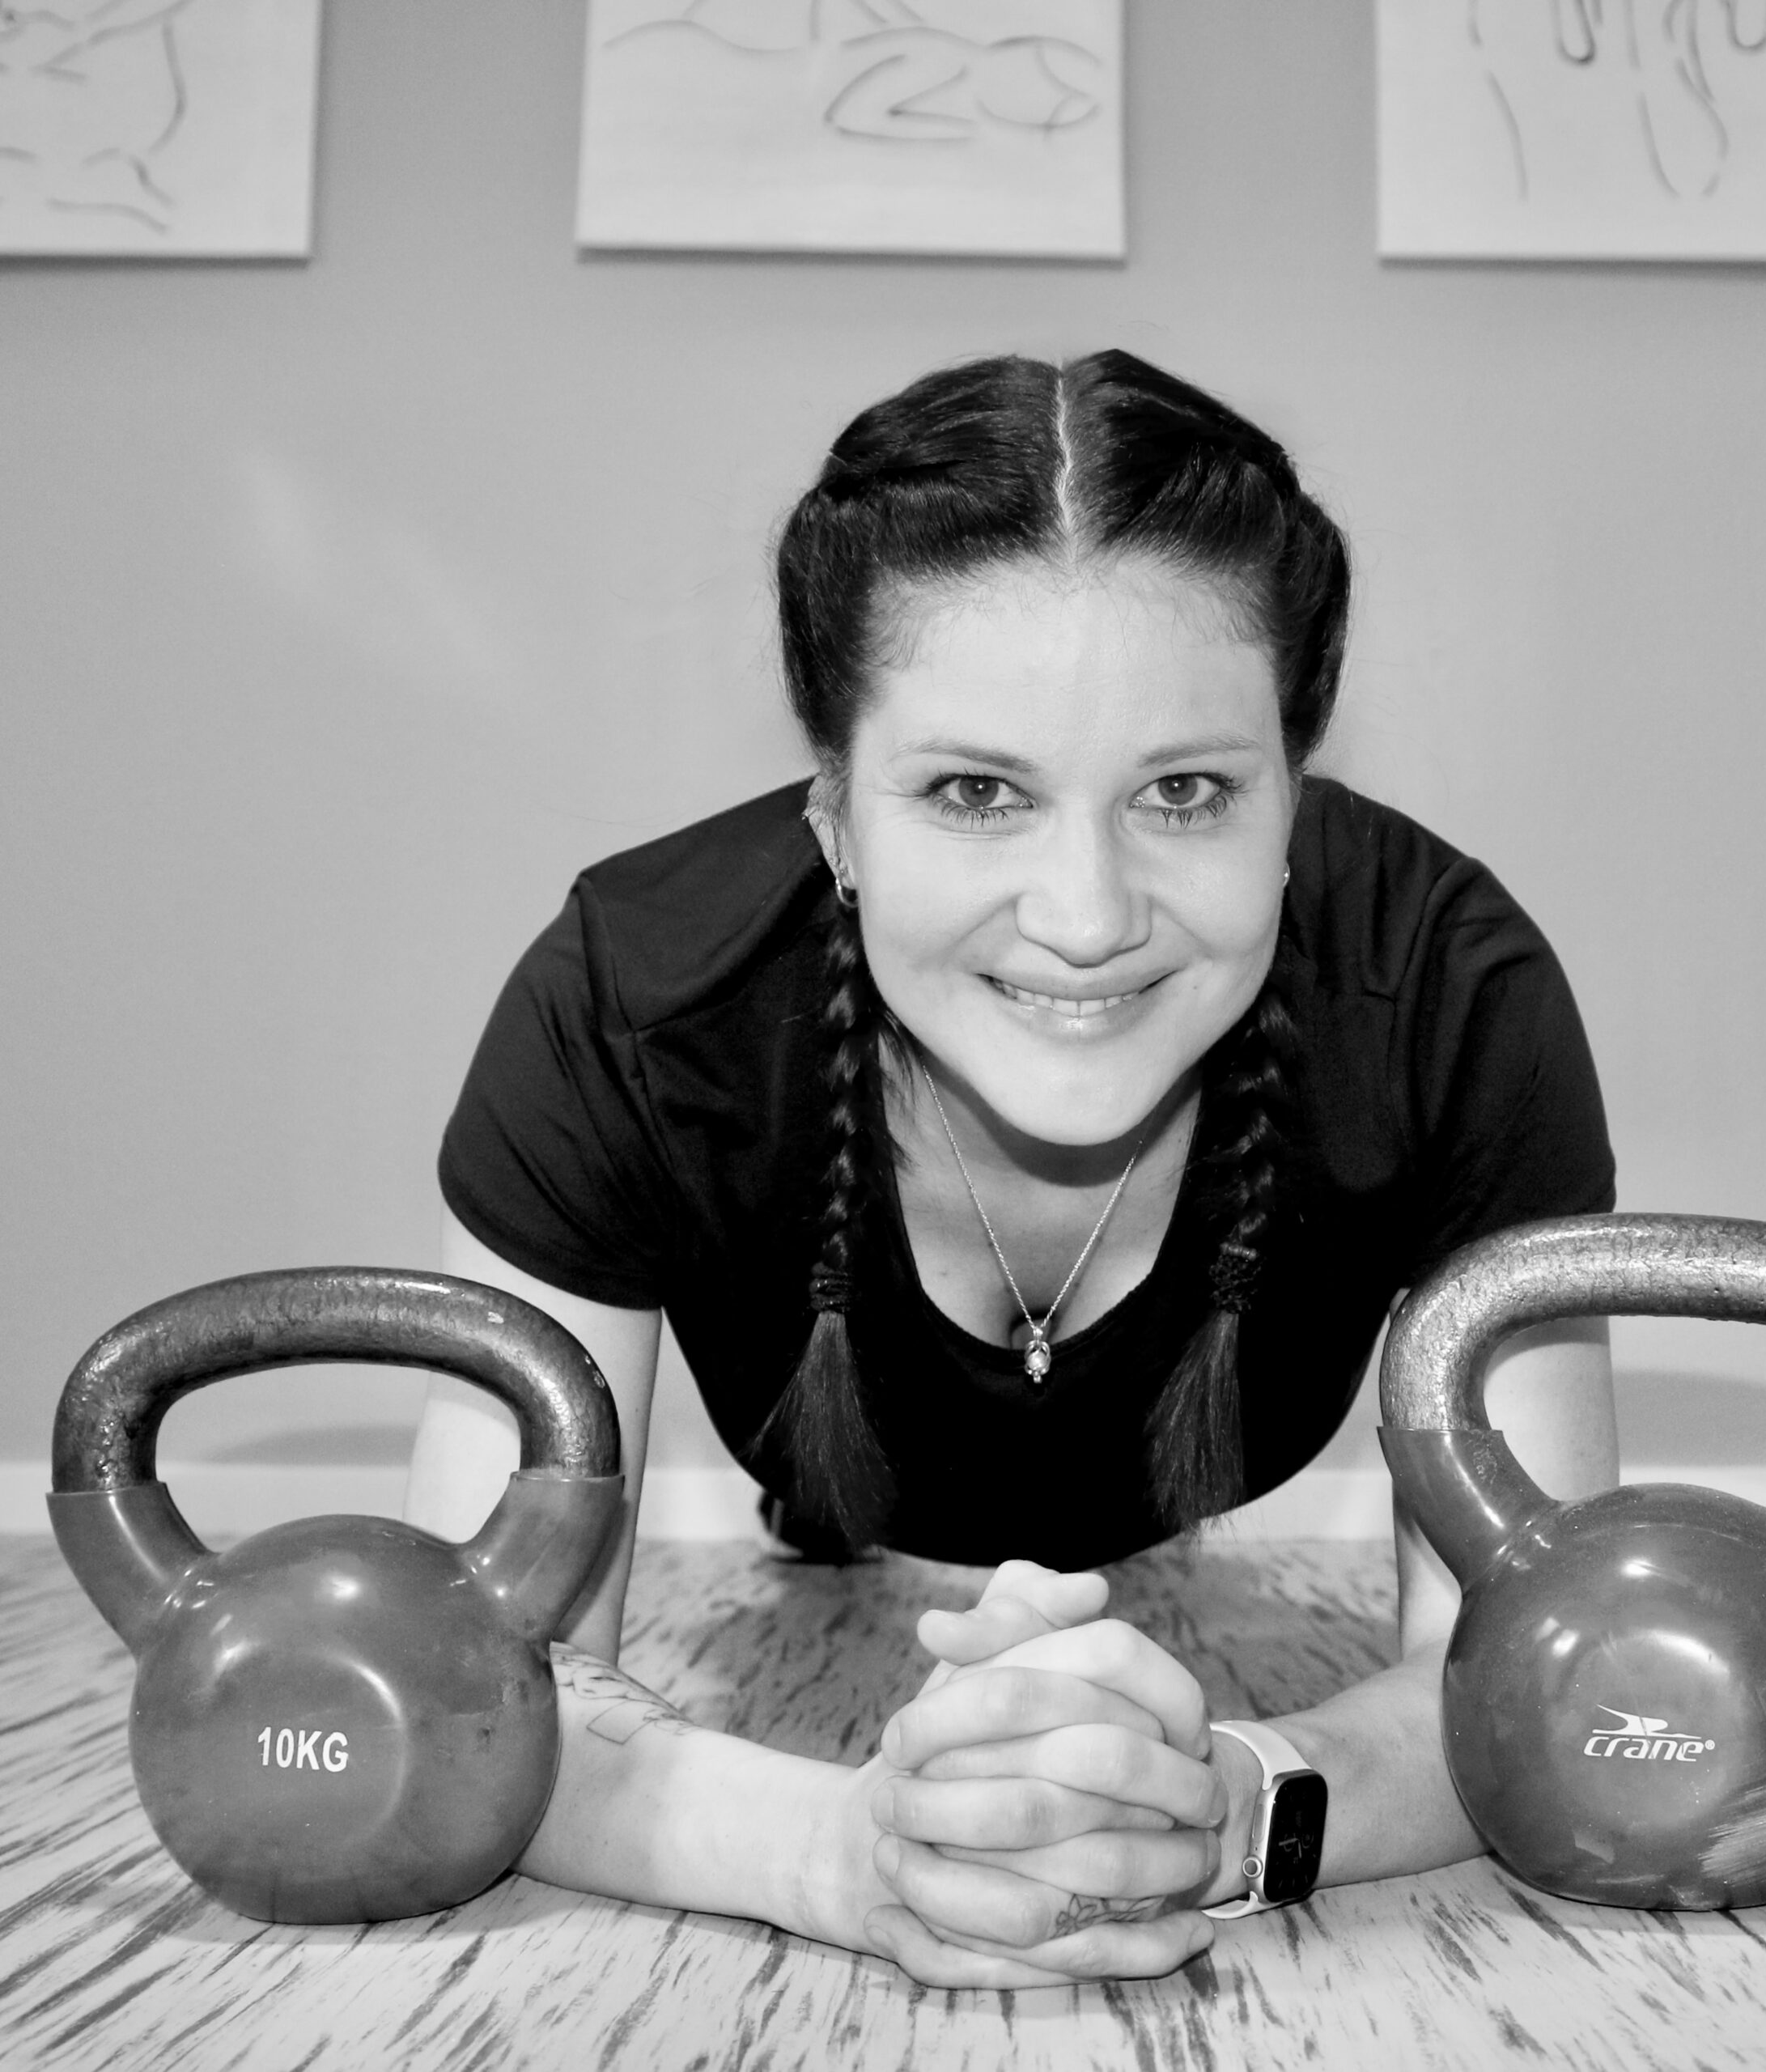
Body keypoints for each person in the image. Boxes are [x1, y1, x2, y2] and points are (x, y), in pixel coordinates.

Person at [404, 349, 1619, 1988]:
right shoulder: (632, 998)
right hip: (835, 1469)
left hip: (1202, 1474)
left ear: (1289, 802)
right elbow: (468, 1680)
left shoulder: (1453, 994)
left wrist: (1225, 1805)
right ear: (834, 817)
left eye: (1183, 792)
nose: (1085, 911)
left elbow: (1529, 1670)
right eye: (975, 792)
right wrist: (837, 1847)